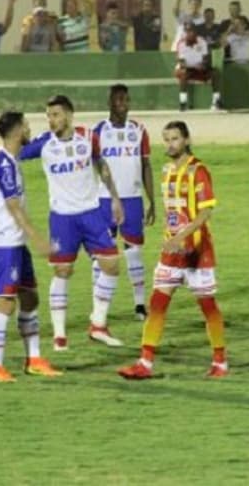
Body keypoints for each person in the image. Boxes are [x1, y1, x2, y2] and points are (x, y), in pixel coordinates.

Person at [118, 121, 227, 379]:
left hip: (197, 251)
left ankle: (220, 362)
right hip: (172, 251)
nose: (170, 144)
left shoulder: (198, 171)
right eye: (166, 139)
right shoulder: (166, 171)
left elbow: (205, 213)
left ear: (187, 140)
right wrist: (171, 238)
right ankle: (145, 363)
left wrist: (182, 237)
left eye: (175, 138)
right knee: (157, 303)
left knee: (208, 305)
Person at [21, 96, 125, 350]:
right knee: (63, 271)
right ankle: (59, 336)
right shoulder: (44, 143)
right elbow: (14, 154)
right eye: (48, 115)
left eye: (55, 114)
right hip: (62, 218)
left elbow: (101, 164)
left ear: (68, 115)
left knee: (111, 265)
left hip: (91, 213)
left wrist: (114, 198)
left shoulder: (88, 137)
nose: (51, 120)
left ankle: (98, 325)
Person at [0, 111, 62, 382]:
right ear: (17, 131)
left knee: (30, 297)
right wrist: (38, 239)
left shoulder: (6, 157)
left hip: (14, 242)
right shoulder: (4, 163)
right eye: (26, 126)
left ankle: (34, 359)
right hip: (2, 242)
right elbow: (14, 206)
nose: (29, 129)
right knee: (5, 302)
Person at [92, 85, 157, 320]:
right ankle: (99, 310)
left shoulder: (139, 130)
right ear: (109, 102)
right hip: (104, 200)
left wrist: (152, 201)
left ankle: (139, 305)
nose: (122, 103)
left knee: (134, 252)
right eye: (117, 99)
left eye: (125, 99)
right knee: (102, 255)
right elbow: (91, 165)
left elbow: (146, 165)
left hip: (132, 199)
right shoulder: (97, 131)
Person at [175, 22, 222, 112]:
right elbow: (181, 63)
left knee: (215, 72)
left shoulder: (202, 42)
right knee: (183, 74)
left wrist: (203, 65)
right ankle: (183, 103)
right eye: (188, 31)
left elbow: (206, 58)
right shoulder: (181, 44)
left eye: (192, 31)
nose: (190, 33)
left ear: (196, 32)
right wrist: (193, 66)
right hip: (187, 69)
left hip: (200, 69)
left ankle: (216, 101)